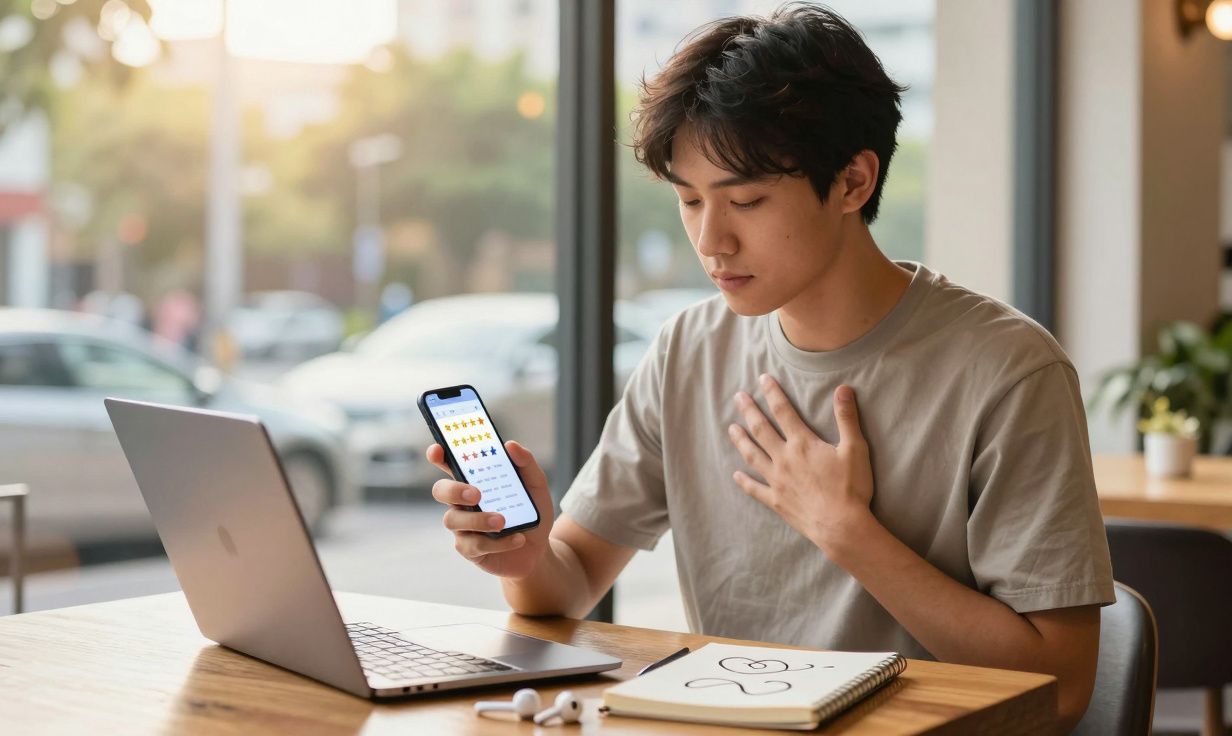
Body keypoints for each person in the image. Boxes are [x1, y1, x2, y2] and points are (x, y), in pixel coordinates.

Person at [425, 5, 1112, 732]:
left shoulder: (1009, 369)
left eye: (745, 200)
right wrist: (526, 553)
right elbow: (565, 588)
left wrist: (847, 531)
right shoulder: (687, 350)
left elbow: (1061, 687)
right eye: (689, 200)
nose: (710, 239)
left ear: (853, 183)